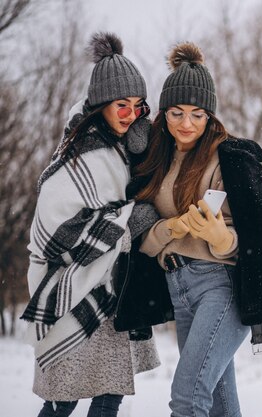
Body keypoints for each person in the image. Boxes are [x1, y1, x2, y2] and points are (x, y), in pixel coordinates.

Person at [134, 42, 262, 417]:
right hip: (179, 289)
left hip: (221, 288)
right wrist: (173, 227)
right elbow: (144, 240)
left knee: (188, 398)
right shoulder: (156, 158)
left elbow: (251, 243)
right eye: (177, 113)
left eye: (197, 114)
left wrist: (219, 237)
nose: (186, 124)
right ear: (164, 112)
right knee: (220, 403)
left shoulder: (228, 159)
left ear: (210, 116)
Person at [20, 32, 161, 417]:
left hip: (112, 290)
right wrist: (129, 221)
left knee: (109, 393)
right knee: (63, 399)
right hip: (75, 289)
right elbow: (58, 231)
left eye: (137, 105)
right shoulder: (79, 155)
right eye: (121, 104)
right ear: (100, 104)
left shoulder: (119, 145)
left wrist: (140, 146)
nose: (130, 113)